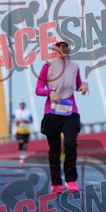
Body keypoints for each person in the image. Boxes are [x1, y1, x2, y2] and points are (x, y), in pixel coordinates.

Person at [35, 39, 88, 194]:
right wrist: (49, 92)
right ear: (55, 48)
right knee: (55, 149)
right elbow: (38, 89)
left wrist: (84, 86)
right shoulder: (48, 66)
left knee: (70, 144)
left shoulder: (74, 67)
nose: (63, 48)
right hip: (52, 112)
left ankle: (70, 180)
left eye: (66, 46)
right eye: (60, 45)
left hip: (70, 112)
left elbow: (77, 85)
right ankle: (56, 183)